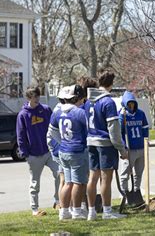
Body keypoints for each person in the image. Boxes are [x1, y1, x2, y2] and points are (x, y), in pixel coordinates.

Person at [86, 71, 128, 220]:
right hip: (105, 145)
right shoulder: (107, 102)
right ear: (111, 84)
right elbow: (113, 130)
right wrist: (121, 149)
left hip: (91, 141)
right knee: (105, 179)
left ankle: (91, 212)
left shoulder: (89, 101)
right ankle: (107, 212)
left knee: (92, 177)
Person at [16, 86, 60, 216]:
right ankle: (35, 209)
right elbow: (20, 136)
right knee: (35, 183)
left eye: (37, 96)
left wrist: (55, 145)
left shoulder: (45, 110)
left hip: (48, 152)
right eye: (33, 96)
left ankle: (58, 201)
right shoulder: (23, 115)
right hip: (33, 155)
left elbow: (54, 128)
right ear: (28, 98)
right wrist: (26, 154)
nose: (36, 99)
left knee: (59, 174)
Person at [50, 85, 89, 220]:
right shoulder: (80, 113)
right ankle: (77, 211)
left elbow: (52, 131)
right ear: (76, 98)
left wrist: (62, 141)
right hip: (77, 150)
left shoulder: (57, 112)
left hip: (63, 150)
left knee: (67, 182)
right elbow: (89, 129)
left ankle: (64, 211)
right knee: (78, 182)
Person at [118, 91, 149, 194]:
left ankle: (137, 190)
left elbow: (145, 128)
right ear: (125, 104)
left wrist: (146, 141)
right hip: (129, 149)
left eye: (133, 103)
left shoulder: (140, 113)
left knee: (138, 172)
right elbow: (119, 133)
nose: (131, 106)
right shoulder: (121, 115)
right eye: (129, 104)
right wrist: (123, 146)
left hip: (140, 147)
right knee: (125, 173)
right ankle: (125, 193)